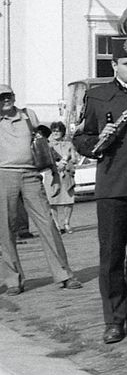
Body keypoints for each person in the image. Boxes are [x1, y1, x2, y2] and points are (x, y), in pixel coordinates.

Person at [73, 33, 127, 344]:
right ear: (114, 65)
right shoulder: (98, 96)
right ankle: (114, 320)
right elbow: (81, 137)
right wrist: (99, 141)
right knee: (111, 256)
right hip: (113, 185)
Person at [0, 84, 82, 294]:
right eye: (1, 97)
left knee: (47, 223)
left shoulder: (28, 115)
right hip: (4, 176)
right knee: (5, 230)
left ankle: (64, 274)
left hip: (31, 175)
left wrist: (55, 167)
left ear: (14, 96)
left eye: (8, 96)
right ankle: (13, 281)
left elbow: (43, 143)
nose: (5, 100)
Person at [46, 122, 78, 234]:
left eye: (58, 131)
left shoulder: (69, 144)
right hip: (52, 175)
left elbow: (75, 159)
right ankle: (56, 225)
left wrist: (67, 160)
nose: (55, 133)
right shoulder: (48, 145)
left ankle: (66, 223)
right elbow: (45, 160)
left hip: (66, 174)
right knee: (52, 201)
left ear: (62, 132)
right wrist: (57, 163)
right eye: (53, 131)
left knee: (69, 200)